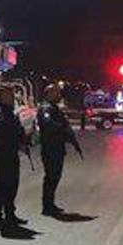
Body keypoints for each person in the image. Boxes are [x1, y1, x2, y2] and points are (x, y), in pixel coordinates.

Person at [37, 84, 82, 215]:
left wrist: (71, 139)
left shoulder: (53, 107)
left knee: (55, 177)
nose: (59, 95)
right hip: (50, 148)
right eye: (56, 93)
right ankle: (47, 206)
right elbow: (48, 124)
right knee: (51, 177)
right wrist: (63, 129)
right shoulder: (46, 108)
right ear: (49, 93)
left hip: (56, 147)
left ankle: (50, 204)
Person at [0, 85, 28, 230]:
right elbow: (5, 131)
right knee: (2, 186)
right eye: (10, 95)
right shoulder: (0, 112)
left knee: (13, 185)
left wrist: (23, 138)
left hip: (12, 152)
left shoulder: (11, 112)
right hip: (3, 153)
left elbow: (17, 129)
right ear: (3, 97)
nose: (13, 98)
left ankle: (10, 214)